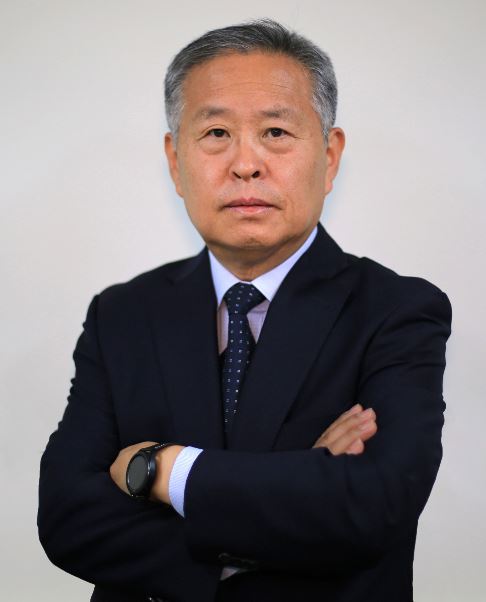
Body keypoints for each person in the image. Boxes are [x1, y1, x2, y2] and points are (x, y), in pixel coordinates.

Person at [37, 19, 452, 602]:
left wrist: (161, 469)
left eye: (276, 131)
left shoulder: (397, 311)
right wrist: (296, 494)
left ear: (330, 156)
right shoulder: (122, 314)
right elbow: (67, 518)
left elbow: (371, 507)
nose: (246, 164)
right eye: (216, 133)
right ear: (175, 160)